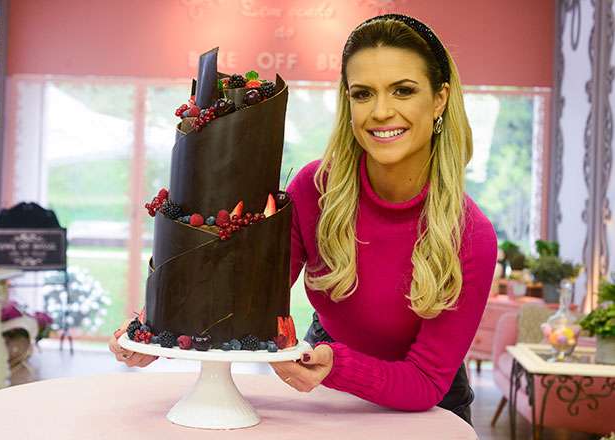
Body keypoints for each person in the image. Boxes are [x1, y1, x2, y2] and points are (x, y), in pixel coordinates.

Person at [109, 14, 497, 425]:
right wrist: (159, 333)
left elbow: (424, 381)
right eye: (363, 94)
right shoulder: (315, 188)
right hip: (323, 390)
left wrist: (338, 366)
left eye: (403, 91)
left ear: (439, 99)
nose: (382, 111)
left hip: (427, 409)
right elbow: (245, 299)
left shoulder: (472, 235)